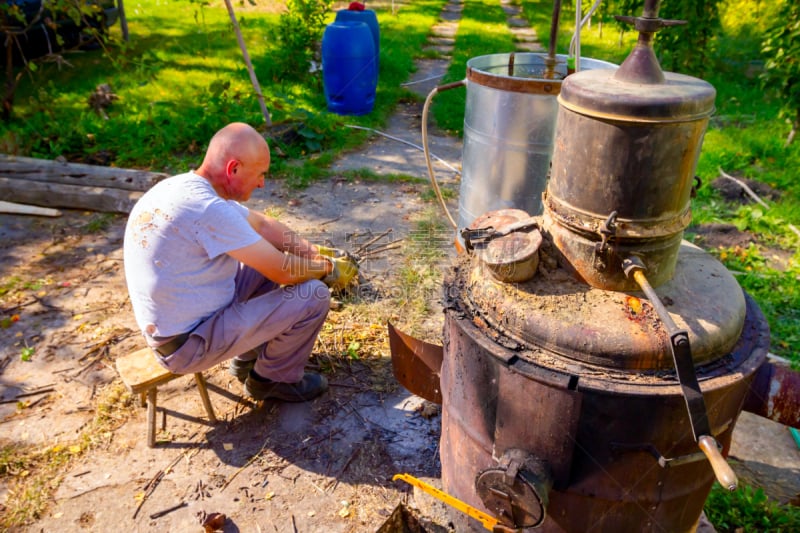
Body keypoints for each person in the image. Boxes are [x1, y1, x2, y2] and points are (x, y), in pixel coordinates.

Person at [123, 122, 357, 402]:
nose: (262, 183)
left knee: (273, 257)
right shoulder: (208, 209)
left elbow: (264, 225)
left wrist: (310, 253)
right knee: (313, 296)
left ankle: (247, 359)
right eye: (259, 174)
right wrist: (328, 269)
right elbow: (282, 271)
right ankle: (273, 380)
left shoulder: (185, 188)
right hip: (188, 345)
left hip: (193, 318)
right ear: (233, 168)